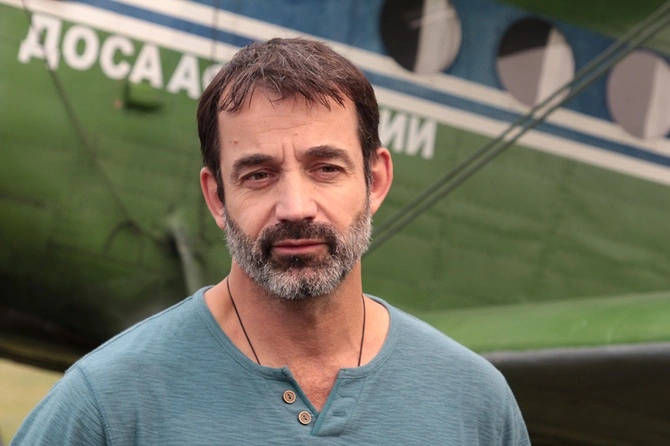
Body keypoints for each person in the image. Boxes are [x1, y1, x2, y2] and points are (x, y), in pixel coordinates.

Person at [12, 37, 530, 445]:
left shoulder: (476, 404)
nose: (295, 207)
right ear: (216, 197)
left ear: (375, 181)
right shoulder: (105, 403)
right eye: (258, 175)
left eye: (326, 168)